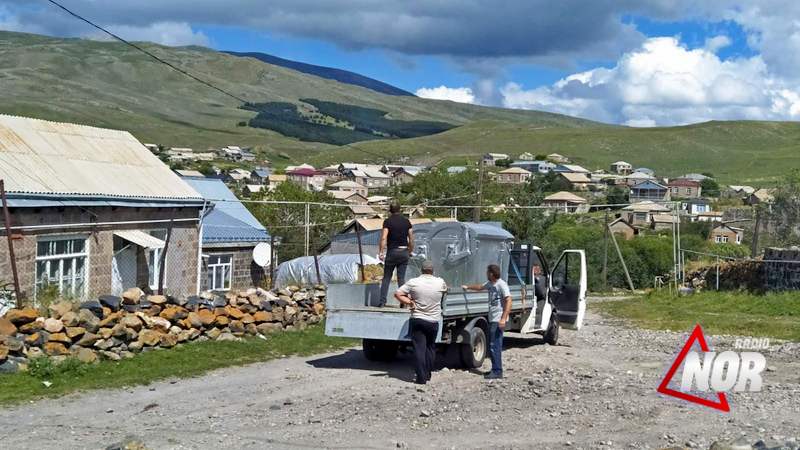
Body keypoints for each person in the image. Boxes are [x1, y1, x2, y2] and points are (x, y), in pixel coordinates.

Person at [394, 260, 447, 384]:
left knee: (419, 349)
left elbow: (398, 294)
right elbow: (445, 290)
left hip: (418, 319)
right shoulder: (440, 282)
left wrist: (410, 302)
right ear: (432, 270)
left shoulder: (414, 282)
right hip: (434, 321)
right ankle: (428, 373)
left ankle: (421, 377)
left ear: (421, 270)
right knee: (430, 348)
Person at [462, 264, 512, 379]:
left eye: (487, 272)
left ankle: (497, 371)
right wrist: (468, 287)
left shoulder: (501, 285)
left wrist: (503, 318)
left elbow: (509, 301)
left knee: (495, 345)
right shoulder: (490, 284)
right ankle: (495, 369)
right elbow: (480, 287)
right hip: (493, 318)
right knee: (492, 345)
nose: (486, 274)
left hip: (498, 319)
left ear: (491, 273)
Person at [378, 202, 413, 307]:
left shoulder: (387, 222)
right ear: (400, 209)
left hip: (392, 252)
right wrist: (410, 251)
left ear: (390, 210)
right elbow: (411, 238)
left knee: (387, 278)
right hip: (404, 252)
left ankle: (382, 302)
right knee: (401, 278)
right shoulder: (407, 222)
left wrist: (381, 252)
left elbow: (384, 237)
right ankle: (403, 302)